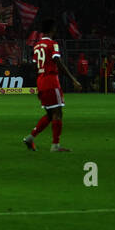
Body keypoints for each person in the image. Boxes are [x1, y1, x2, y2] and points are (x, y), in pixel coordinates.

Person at [24, 19, 81, 152]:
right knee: (58, 113)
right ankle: (55, 145)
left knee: (50, 115)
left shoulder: (37, 45)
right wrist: (73, 79)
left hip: (41, 81)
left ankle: (30, 138)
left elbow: (34, 65)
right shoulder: (53, 44)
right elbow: (58, 61)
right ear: (52, 29)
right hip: (51, 80)